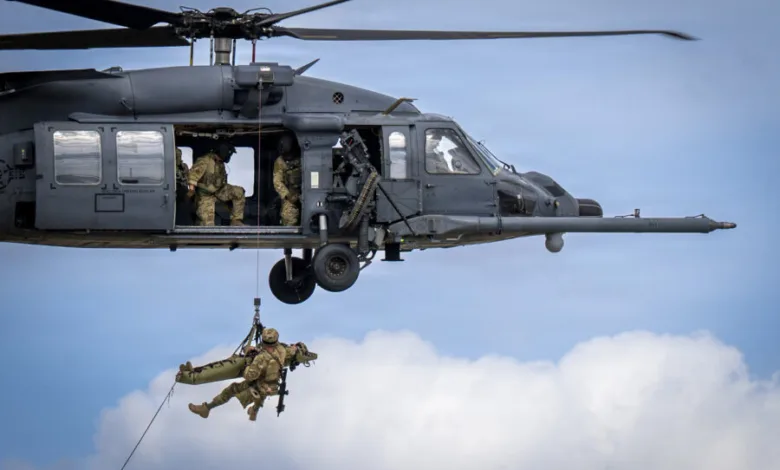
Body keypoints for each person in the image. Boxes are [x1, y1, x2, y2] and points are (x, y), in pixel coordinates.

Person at [187, 328, 300, 421]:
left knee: (231, 390)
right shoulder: (282, 350)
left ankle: (206, 409)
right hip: (273, 386)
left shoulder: (260, 358)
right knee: (260, 396)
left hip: (259, 386)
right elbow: (291, 350)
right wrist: (296, 347)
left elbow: (249, 376)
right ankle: (254, 412)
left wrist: (247, 365)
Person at [186, 142, 246, 226]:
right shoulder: (205, 160)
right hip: (205, 195)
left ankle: (236, 220)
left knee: (239, 191)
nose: (230, 157)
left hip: (219, 191)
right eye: (229, 154)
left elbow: (222, 180)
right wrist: (191, 190)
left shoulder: (220, 163)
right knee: (208, 225)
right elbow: (193, 175)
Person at [272, 134, 302, 226]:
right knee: (288, 214)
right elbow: (277, 181)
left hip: (307, 192)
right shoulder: (280, 161)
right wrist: (288, 195)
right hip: (291, 193)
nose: (287, 158)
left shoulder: (305, 156)